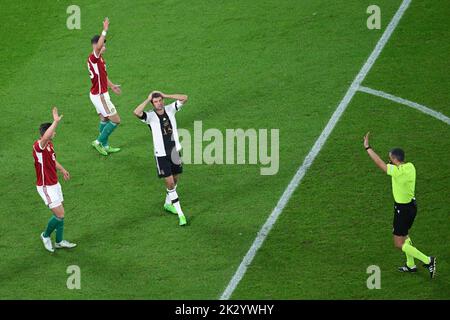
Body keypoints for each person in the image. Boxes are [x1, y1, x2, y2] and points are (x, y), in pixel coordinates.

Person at [363, 132, 436, 278]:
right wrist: (393, 164)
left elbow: (380, 164)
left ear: (394, 159)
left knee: (398, 243)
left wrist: (367, 147)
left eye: (390, 158)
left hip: (402, 210)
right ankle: (411, 265)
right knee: (405, 235)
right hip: (412, 207)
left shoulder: (396, 172)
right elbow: (393, 166)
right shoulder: (410, 167)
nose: (388, 159)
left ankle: (428, 260)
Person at [133, 91, 189, 226]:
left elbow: (185, 98)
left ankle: (168, 203)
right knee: (170, 183)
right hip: (161, 154)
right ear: (153, 104)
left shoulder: (170, 109)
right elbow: (136, 112)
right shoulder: (150, 116)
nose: (159, 103)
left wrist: (166, 95)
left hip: (175, 151)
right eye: (156, 102)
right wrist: (147, 99)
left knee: (175, 180)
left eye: (160, 100)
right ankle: (181, 214)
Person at [33, 107, 77, 253]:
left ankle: (59, 241)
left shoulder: (50, 146)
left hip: (54, 183)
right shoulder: (38, 146)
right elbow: (45, 137)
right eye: (53, 131)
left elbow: (53, 160)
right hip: (46, 186)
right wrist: (55, 121)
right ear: (48, 132)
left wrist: (62, 169)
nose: (55, 133)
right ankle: (45, 236)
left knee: (60, 213)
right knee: (60, 214)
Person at [87, 17, 122, 156]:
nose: (104, 47)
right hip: (100, 95)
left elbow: (103, 76)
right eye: (103, 45)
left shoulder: (100, 59)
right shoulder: (93, 57)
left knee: (105, 119)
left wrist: (112, 86)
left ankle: (105, 145)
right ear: (97, 46)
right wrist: (105, 30)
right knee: (116, 120)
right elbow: (99, 45)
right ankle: (98, 142)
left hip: (98, 93)